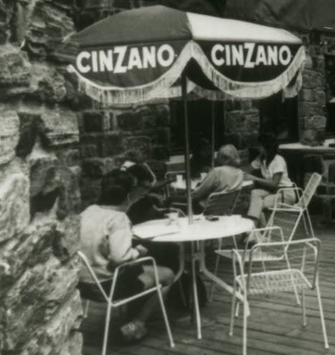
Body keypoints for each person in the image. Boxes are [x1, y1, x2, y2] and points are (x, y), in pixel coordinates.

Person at [78, 170, 176, 342]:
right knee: (167, 275)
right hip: (108, 286)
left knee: (139, 269)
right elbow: (120, 258)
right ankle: (136, 325)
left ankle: (132, 316)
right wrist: (138, 251)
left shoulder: (87, 211)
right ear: (129, 195)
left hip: (84, 283)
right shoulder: (118, 218)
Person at [246, 132, 296, 227]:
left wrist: (255, 179)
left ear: (266, 146)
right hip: (274, 193)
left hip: (285, 194)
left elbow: (274, 184)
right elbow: (247, 170)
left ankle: (254, 231)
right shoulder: (262, 159)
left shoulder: (278, 160)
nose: (258, 148)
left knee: (256, 205)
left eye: (259, 145)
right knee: (255, 193)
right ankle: (258, 231)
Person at [188, 144, 244, 214]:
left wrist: (189, 194)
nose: (216, 158)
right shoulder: (240, 173)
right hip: (225, 208)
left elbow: (197, 193)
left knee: (184, 199)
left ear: (224, 158)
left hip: (205, 208)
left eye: (218, 156)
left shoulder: (217, 171)